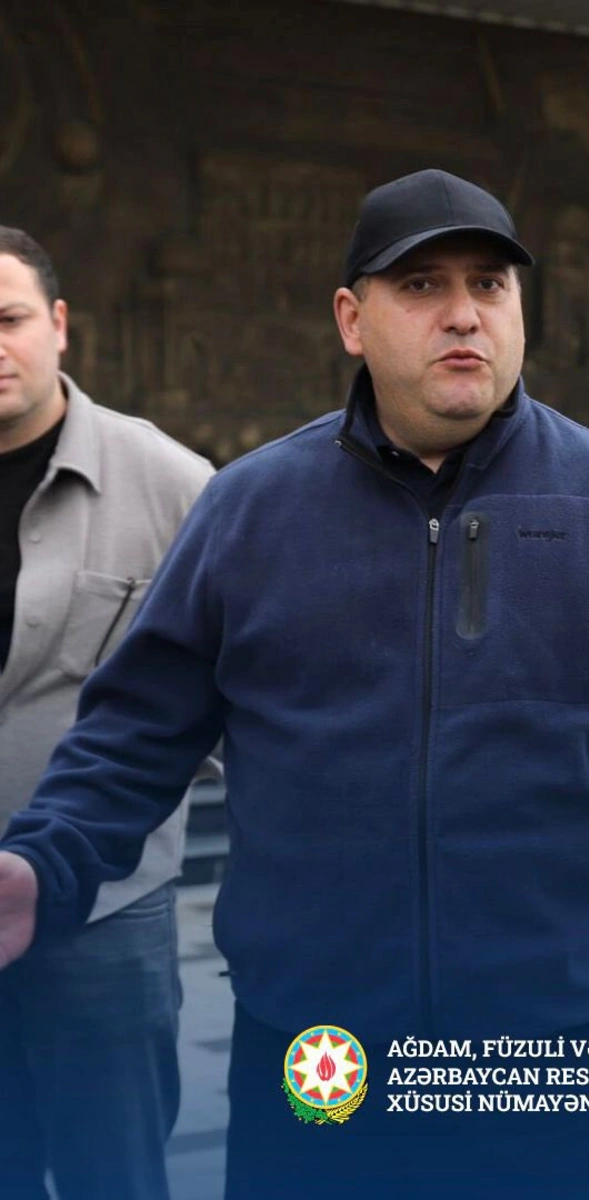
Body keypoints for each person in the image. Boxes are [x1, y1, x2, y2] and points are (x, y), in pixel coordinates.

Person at [0, 171, 589, 1199]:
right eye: (421, 285)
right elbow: (134, 735)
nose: (463, 314)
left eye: (489, 284)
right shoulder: (252, 512)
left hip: (552, 1044)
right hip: (320, 1047)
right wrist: (45, 862)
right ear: (352, 319)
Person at [0, 228, 213, 1199]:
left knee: (112, 1175)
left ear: (59, 324)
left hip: (104, 913)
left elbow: (236, 683)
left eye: (9, 320)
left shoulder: (170, 480)